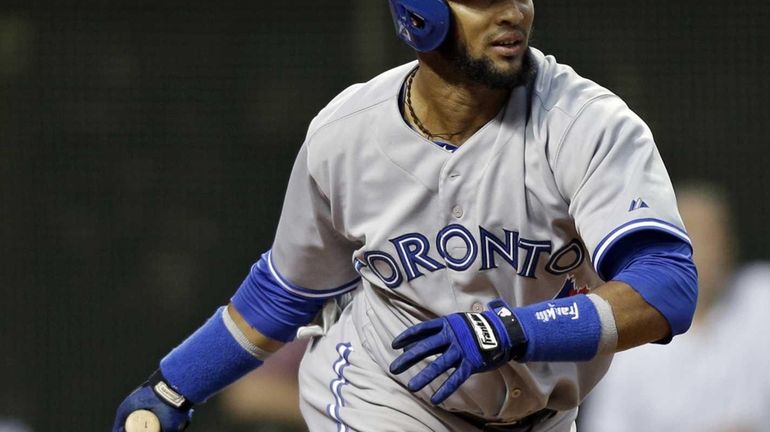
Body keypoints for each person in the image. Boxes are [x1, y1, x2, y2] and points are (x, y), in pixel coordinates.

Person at [113, 1, 698, 431]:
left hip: (542, 414)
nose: (514, 12)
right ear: (419, 12)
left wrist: (512, 330)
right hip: (388, 397)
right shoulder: (345, 135)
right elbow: (284, 293)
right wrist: (172, 386)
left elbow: (666, 287)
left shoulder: (584, 124)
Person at [579, 183, 770, 432]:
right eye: (694, 234)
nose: (709, 250)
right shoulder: (630, 337)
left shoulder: (762, 296)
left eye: (716, 234)